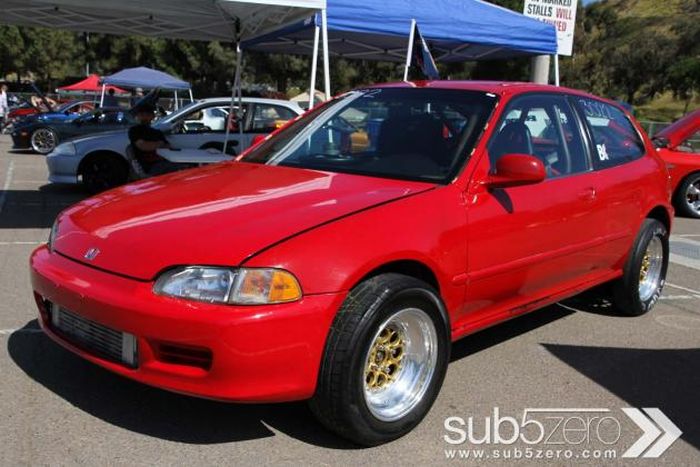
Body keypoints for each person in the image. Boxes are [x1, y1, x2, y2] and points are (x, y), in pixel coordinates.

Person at [128, 102, 181, 176]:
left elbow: (168, 146)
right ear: (137, 116)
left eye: (147, 115)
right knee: (183, 170)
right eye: (142, 115)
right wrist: (159, 144)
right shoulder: (135, 130)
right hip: (150, 166)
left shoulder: (156, 132)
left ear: (152, 116)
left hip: (163, 162)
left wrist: (158, 145)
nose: (145, 117)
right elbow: (143, 146)